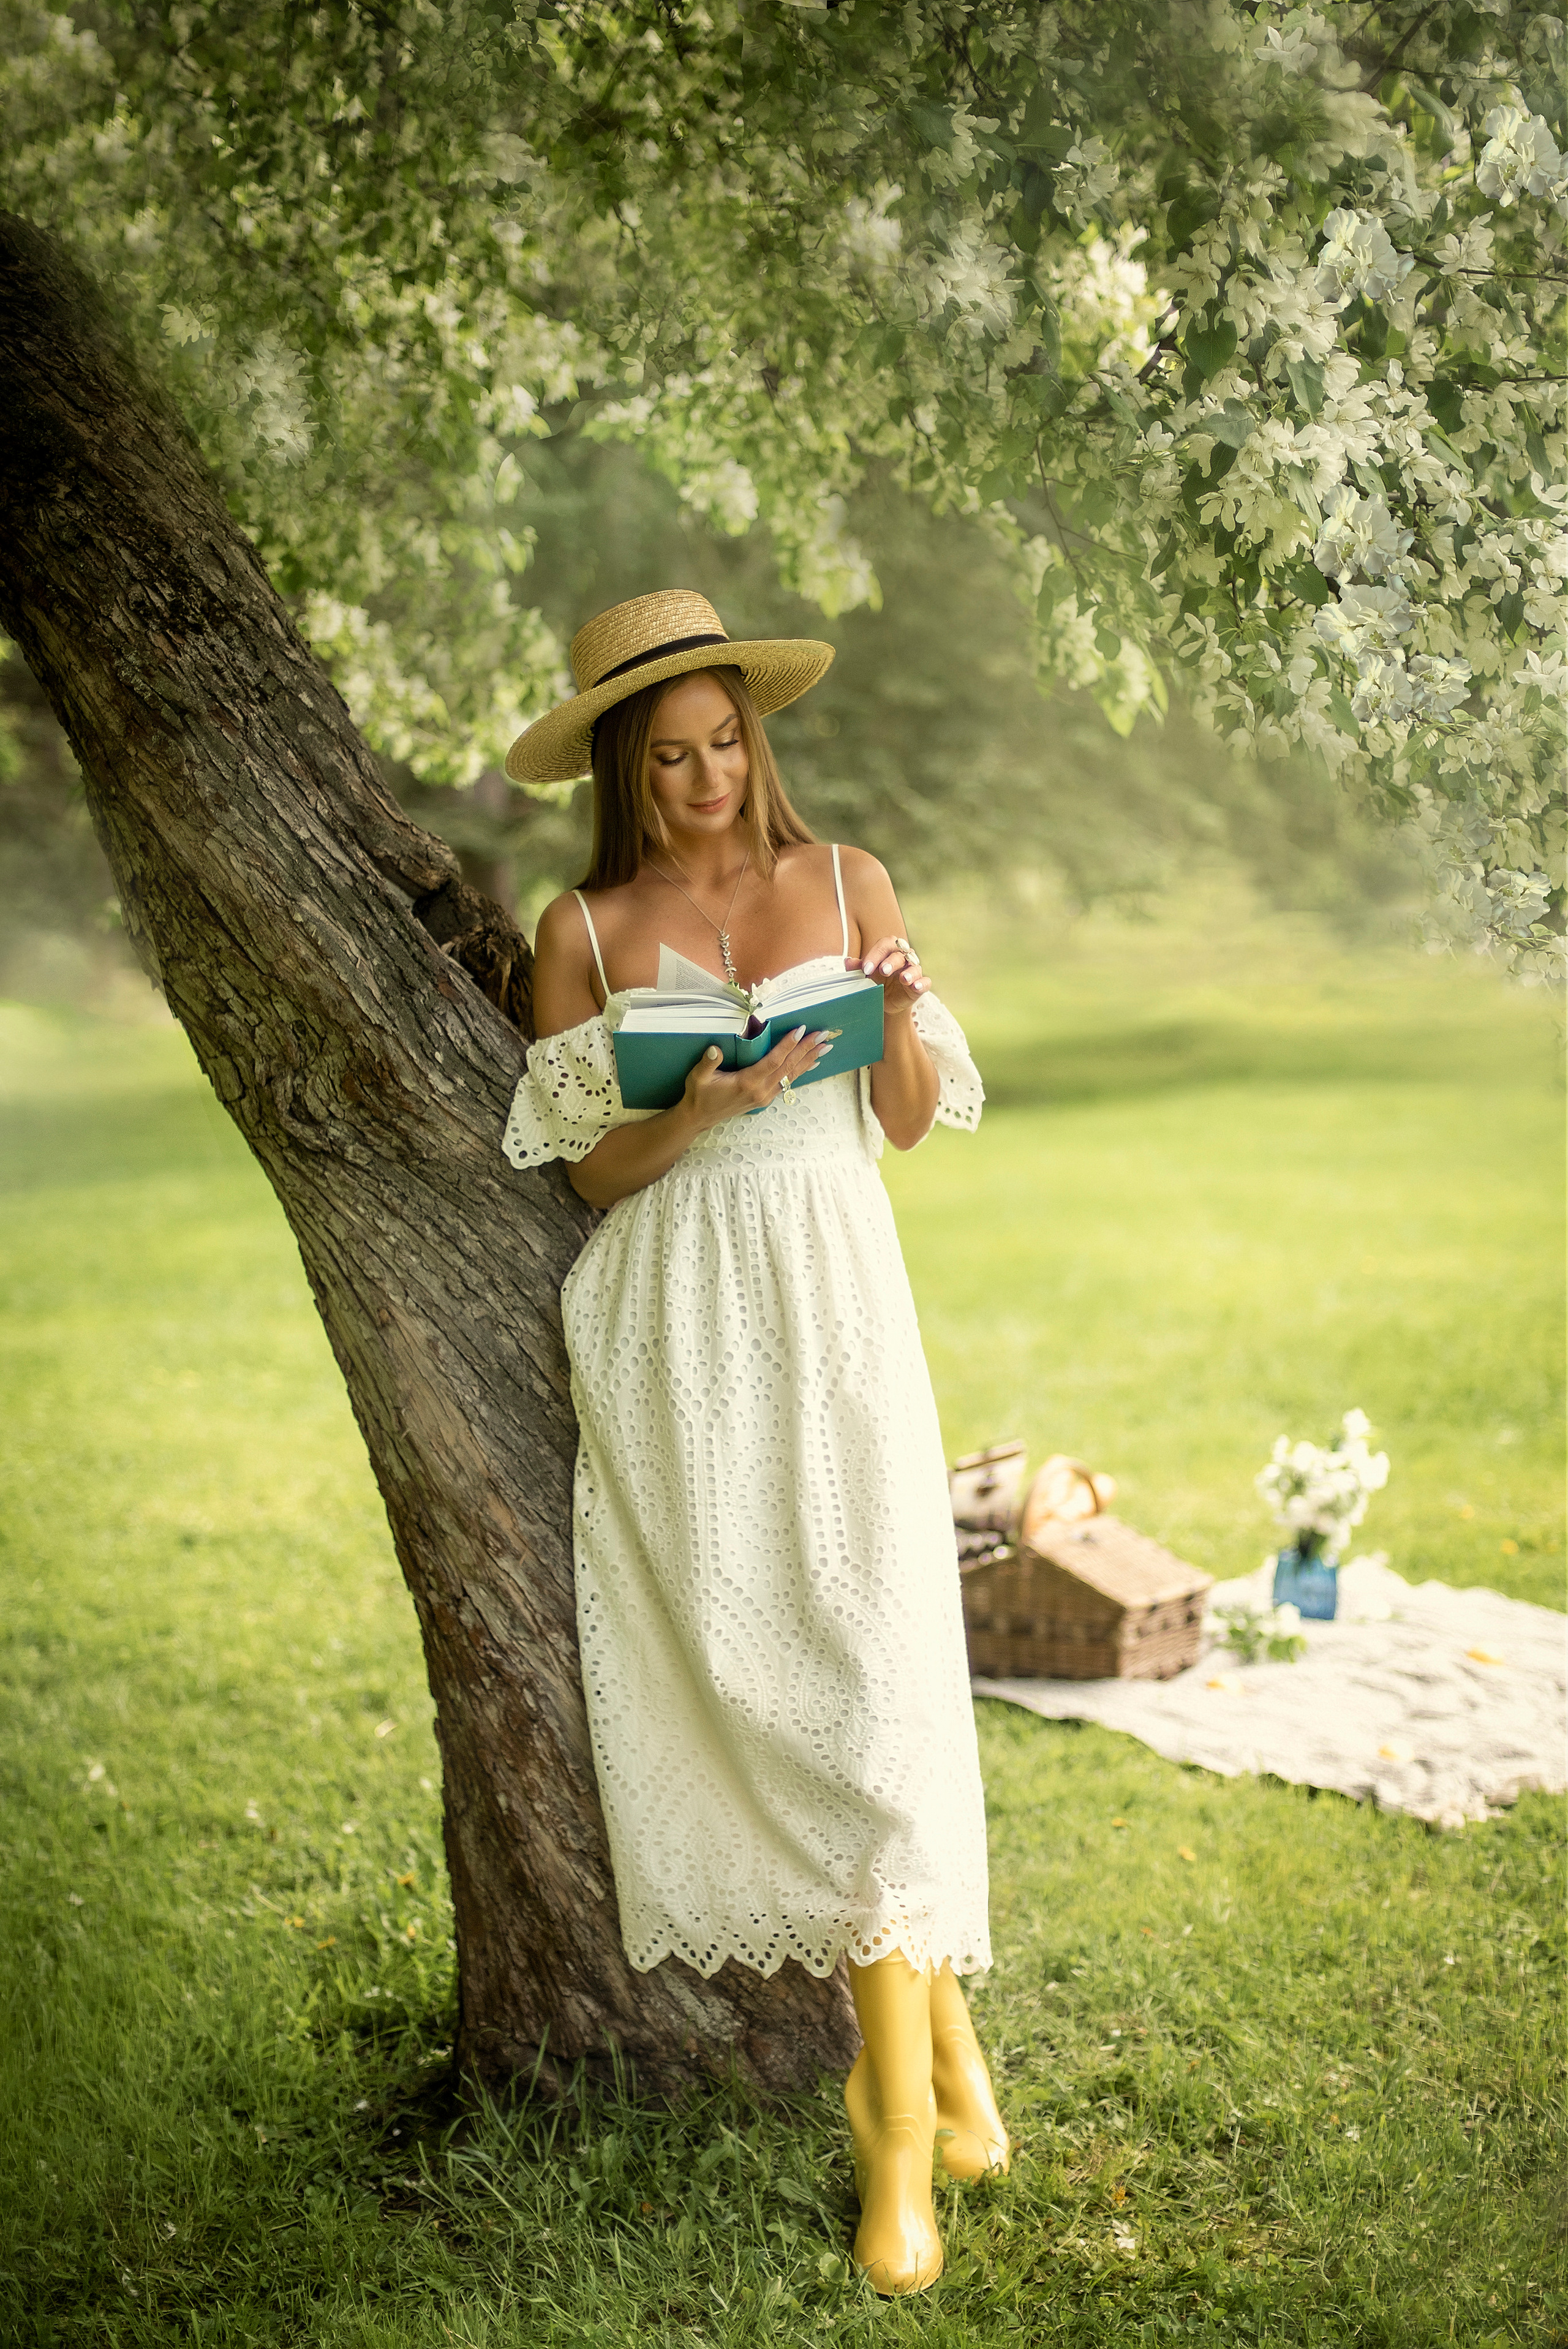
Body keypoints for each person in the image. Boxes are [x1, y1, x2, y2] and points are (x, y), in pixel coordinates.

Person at [500, 590, 1008, 2295]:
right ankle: (943, 2060)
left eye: (725, 744)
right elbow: (581, 1174)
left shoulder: (850, 881)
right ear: (623, 770)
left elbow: (906, 1119)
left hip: (836, 1279)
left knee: (874, 1664)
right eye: (671, 756)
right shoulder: (581, 924)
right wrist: (694, 1105)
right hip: (675, 1306)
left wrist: (904, 1004)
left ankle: (896, 2117)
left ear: (754, 741)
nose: (707, 779)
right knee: (765, 1663)